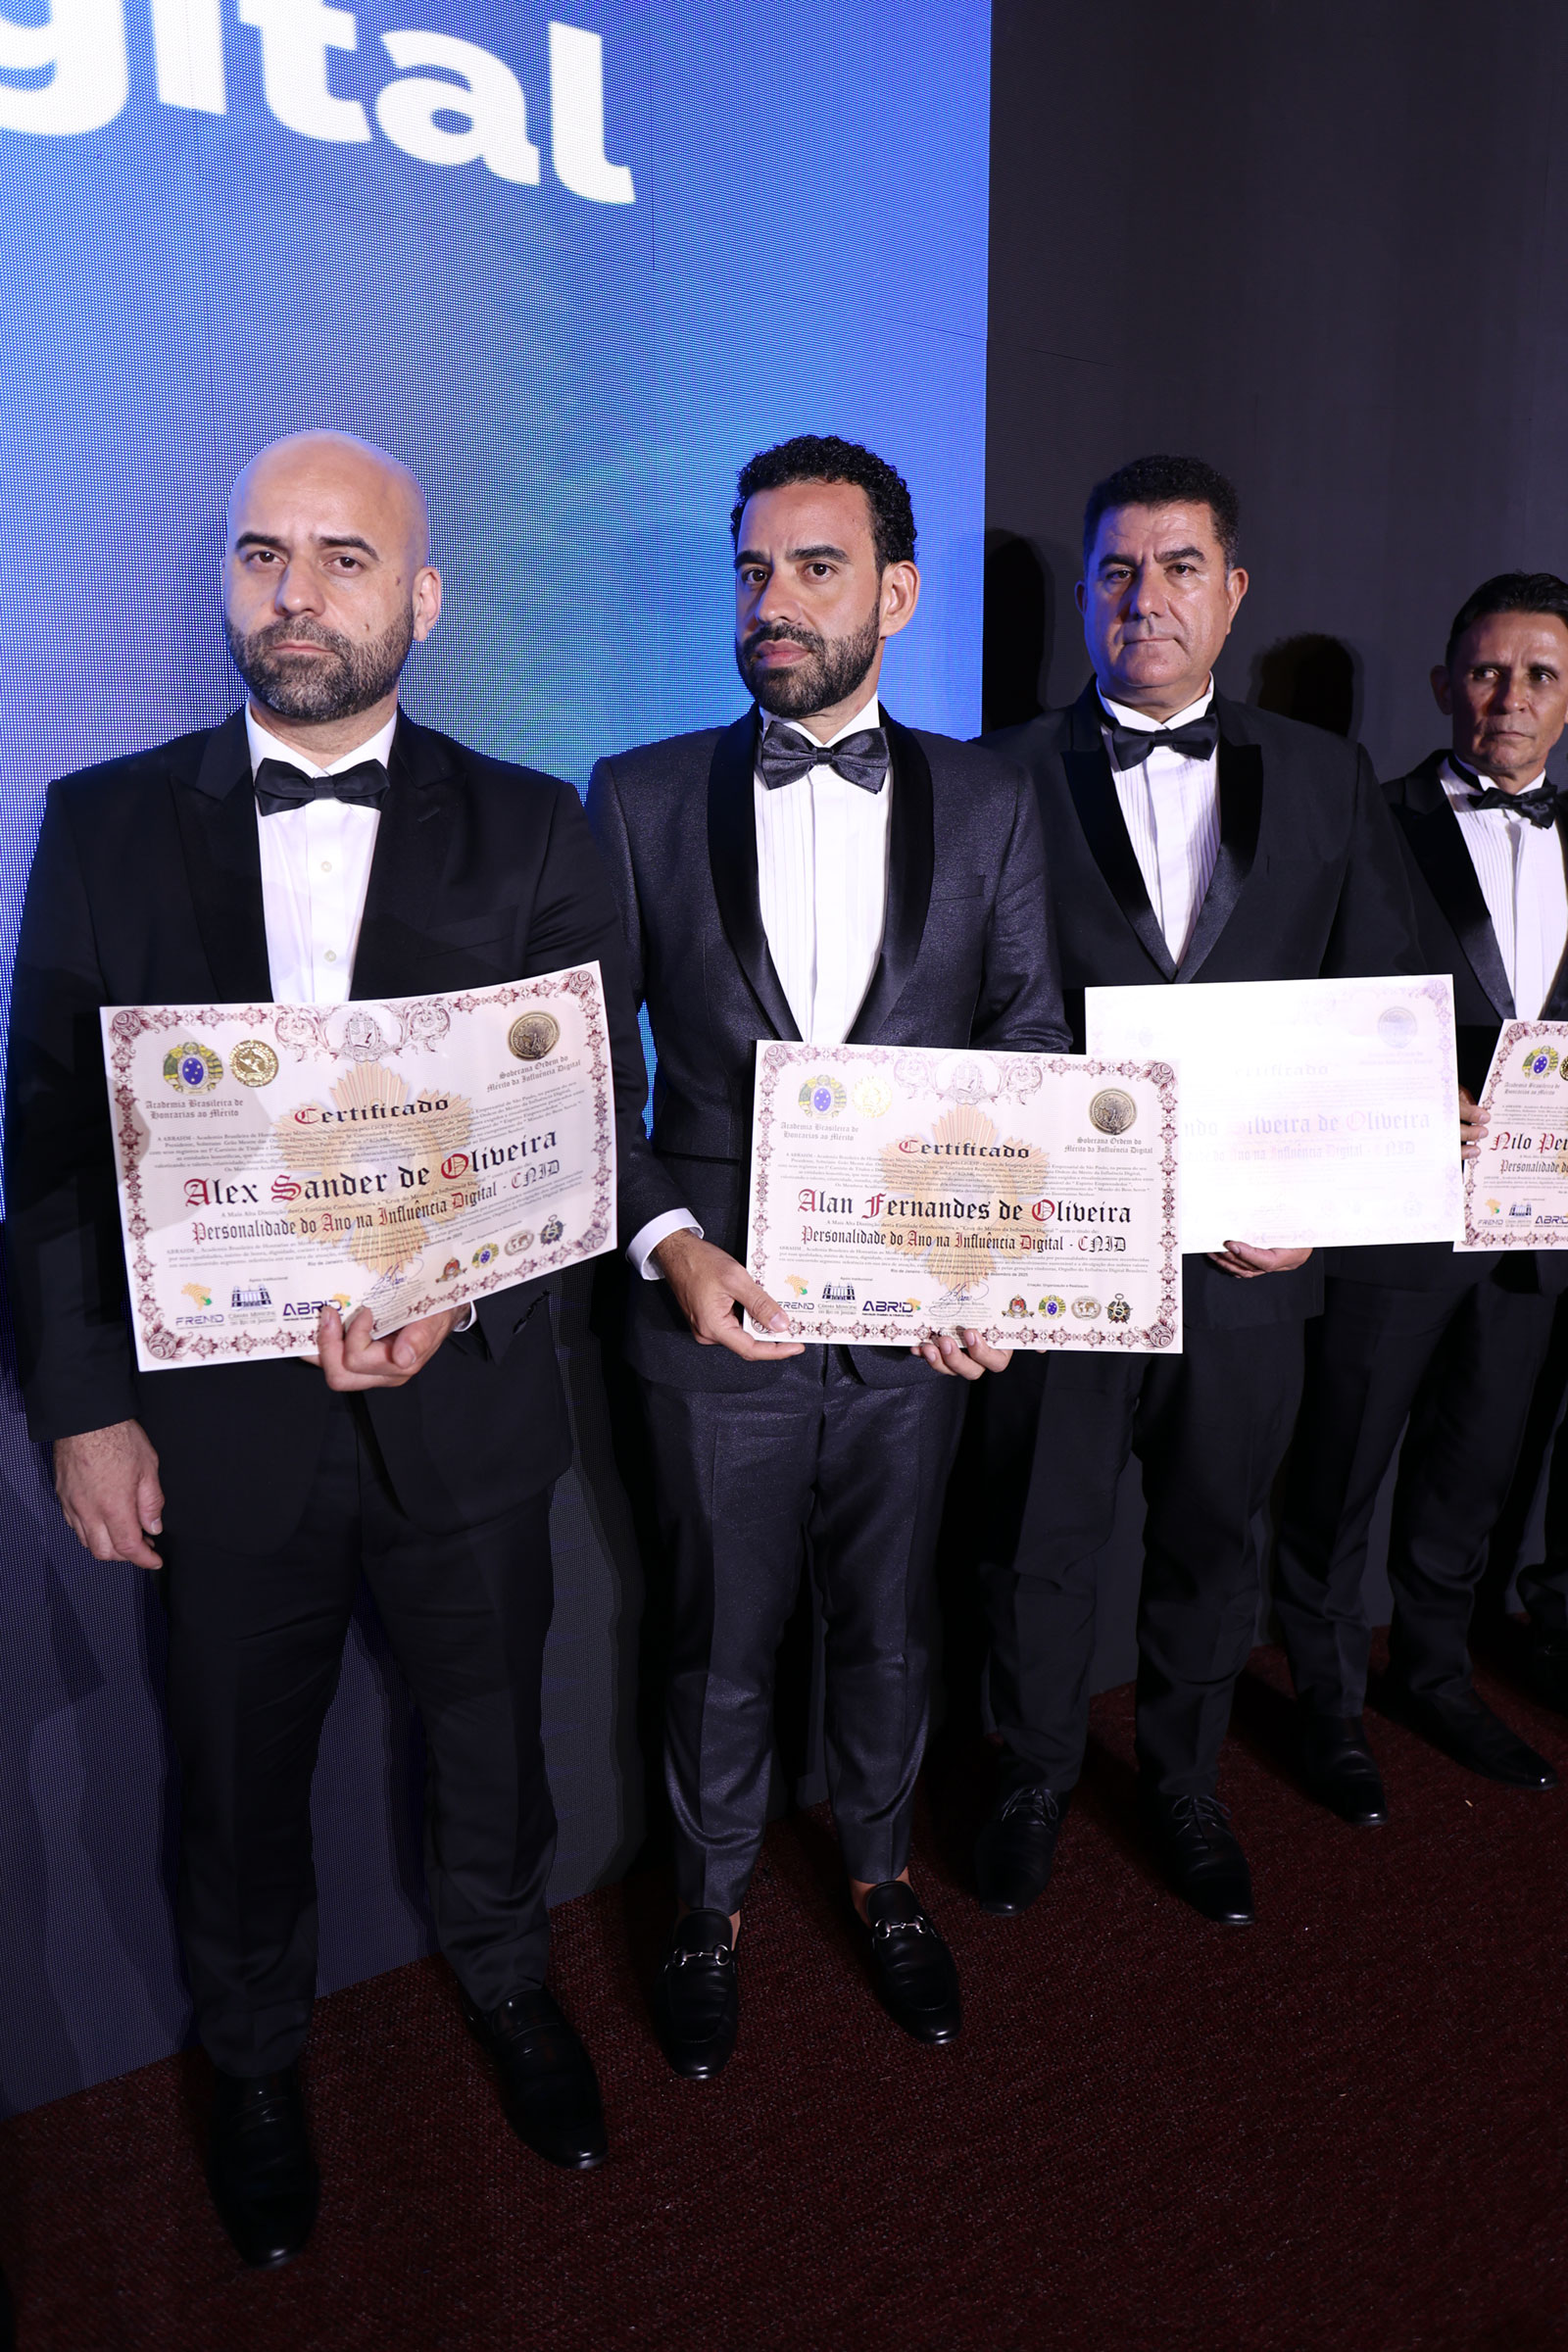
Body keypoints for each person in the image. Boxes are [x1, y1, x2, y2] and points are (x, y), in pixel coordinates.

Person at [4, 431, 655, 2268]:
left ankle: (512, 1984)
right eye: (263, 556)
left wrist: (474, 1297)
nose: (295, 595)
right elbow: (50, 1142)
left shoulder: (537, 825)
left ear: (421, 599)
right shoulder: (104, 821)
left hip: (469, 1418)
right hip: (214, 1436)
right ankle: (254, 2060)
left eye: (344, 560)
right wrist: (84, 1411)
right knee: (231, 1778)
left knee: (494, 1749)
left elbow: (586, 1133)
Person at [587, 434, 1069, 2075]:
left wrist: (983, 1277)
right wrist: (670, 1245)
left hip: (910, 1328)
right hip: (710, 1313)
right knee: (716, 1635)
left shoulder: (994, 797)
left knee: (888, 1622)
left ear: (898, 593)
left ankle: (881, 1875)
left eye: (814, 568)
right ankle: (708, 1904)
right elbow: (586, 1074)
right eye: (752, 570)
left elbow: (1027, 1045)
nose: (772, 603)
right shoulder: (640, 794)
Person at [974, 453, 1419, 1929]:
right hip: (1059, 1262)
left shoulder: (1326, 776)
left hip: (1247, 1268)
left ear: (1231, 592)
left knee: (1214, 1543)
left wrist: (1321, 1208)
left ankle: (1183, 1779)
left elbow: (1379, 1005)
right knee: (1038, 1544)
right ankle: (1032, 1776)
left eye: (1176, 568)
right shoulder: (990, 774)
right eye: (1116, 570)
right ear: (1084, 597)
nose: (1143, 598)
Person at [1271, 574, 1568, 1814]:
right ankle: (1325, 1703)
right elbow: (1300, 1001)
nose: (1508, 698)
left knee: (1473, 1467)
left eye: (1539, 675)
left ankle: (1435, 1676)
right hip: (1390, 1216)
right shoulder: (1369, 821)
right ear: (1445, 683)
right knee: (1338, 1472)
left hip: (1535, 1229)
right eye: (1487, 672)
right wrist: (1395, 1095)